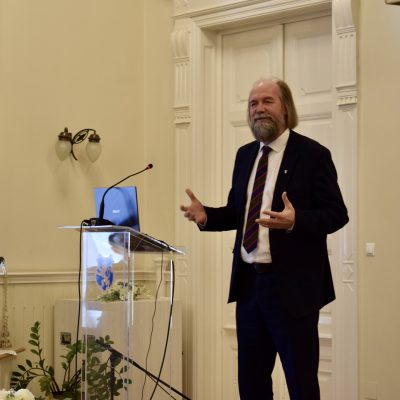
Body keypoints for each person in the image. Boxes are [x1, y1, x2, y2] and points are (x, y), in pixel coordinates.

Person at [180, 78, 349, 400]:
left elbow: (337, 214)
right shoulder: (245, 156)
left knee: (301, 383)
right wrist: (207, 216)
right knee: (252, 383)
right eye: (253, 103)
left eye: (267, 101)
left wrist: (297, 220)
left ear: (286, 108)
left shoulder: (313, 155)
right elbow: (238, 213)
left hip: (293, 291)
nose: (259, 109)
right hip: (249, 287)